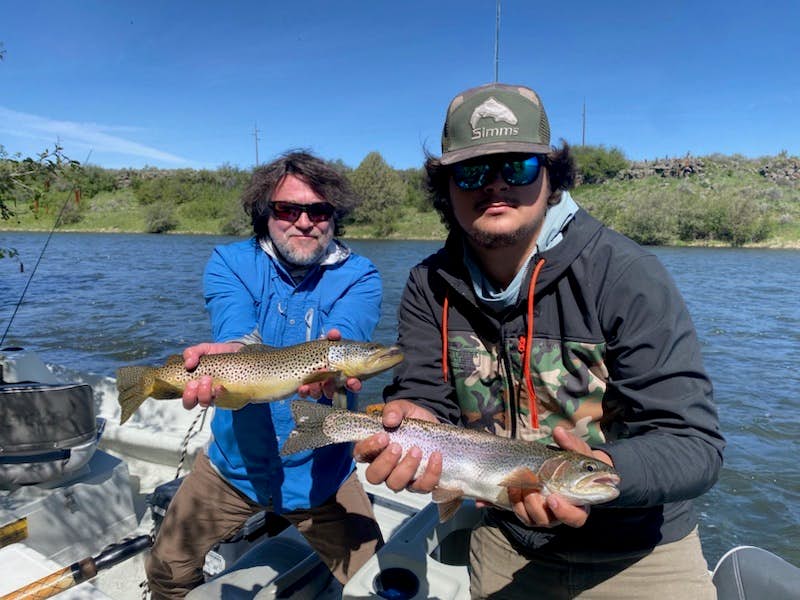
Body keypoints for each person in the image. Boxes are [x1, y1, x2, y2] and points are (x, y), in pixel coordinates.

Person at [354, 83, 726, 599]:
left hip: (642, 553)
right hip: (504, 543)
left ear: (552, 175)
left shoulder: (626, 274)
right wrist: (413, 420)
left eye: (518, 167)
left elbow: (693, 443)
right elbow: (424, 392)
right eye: (472, 171)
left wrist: (600, 472)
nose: (495, 184)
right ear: (447, 187)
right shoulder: (428, 284)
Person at [145, 150, 384, 598]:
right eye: (287, 209)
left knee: (380, 584)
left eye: (319, 211)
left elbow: (346, 335)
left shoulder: (361, 276)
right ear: (265, 214)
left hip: (321, 473)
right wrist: (232, 354)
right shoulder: (230, 262)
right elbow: (236, 332)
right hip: (234, 468)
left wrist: (333, 363)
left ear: (335, 217)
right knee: (166, 568)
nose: (304, 222)